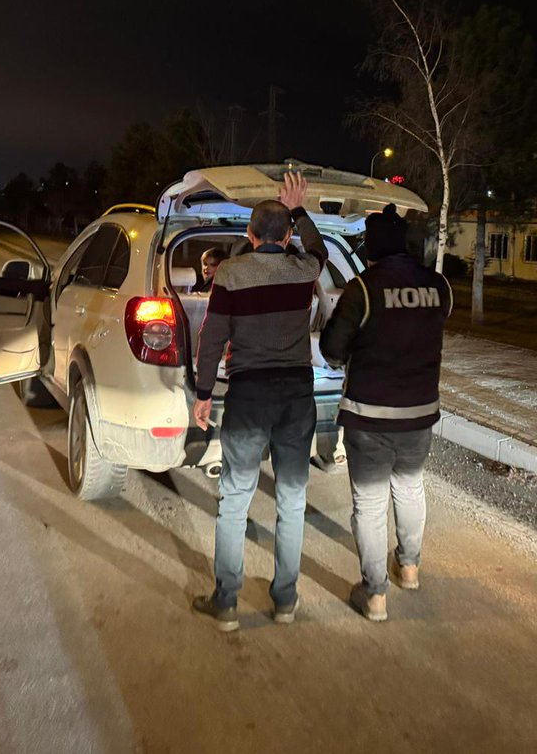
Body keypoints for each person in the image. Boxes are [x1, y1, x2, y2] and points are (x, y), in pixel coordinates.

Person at [190, 172, 326, 631]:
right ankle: (285, 601)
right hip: (295, 397)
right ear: (287, 236)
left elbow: (212, 339)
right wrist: (300, 209)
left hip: (247, 397)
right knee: (292, 500)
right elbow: (320, 251)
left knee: (234, 500)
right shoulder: (303, 269)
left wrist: (204, 393)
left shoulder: (229, 273)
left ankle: (226, 601)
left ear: (249, 235)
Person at [320, 204, 452, 622]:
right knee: (411, 487)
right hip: (420, 413)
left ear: (372, 249)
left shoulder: (363, 288)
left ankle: (375, 594)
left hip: (370, 415)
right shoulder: (439, 286)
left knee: (371, 503)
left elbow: (332, 350)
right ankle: (409, 567)